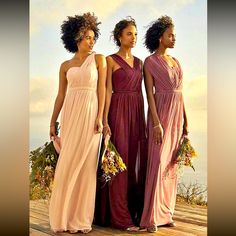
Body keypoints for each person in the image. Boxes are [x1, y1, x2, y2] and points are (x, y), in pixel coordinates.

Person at [48, 12, 106, 234]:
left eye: (93, 37)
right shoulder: (65, 65)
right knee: (67, 164)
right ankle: (62, 217)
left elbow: (102, 90)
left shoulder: (99, 60)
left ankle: (80, 219)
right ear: (75, 38)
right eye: (87, 37)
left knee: (86, 168)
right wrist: (53, 121)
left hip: (91, 115)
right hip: (70, 116)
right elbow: (60, 95)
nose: (91, 41)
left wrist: (100, 117)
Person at [94, 16, 147, 232]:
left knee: (134, 166)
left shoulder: (140, 62)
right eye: (129, 33)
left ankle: (135, 214)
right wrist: (105, 119)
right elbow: (107, 90)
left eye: (135, 34)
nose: (133, 37)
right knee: (119, 165)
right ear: (119, 36)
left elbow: (143, 93)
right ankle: (120, 218)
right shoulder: (110, 60)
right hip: (118, 112)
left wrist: (144, 120)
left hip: (136, 112)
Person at [140, 15, 189, 233]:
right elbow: (149, 94)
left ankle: (166, 213)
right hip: (161, 113)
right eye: (170, 35)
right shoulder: (150, 62)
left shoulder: (176, 61)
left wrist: (186, 120)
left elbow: (180, 93)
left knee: (171, 164)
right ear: (160, 37)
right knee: (158, 161)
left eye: (175, 35)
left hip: (177, 114)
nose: (174, 38)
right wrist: (156, 123)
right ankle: (150, 216)